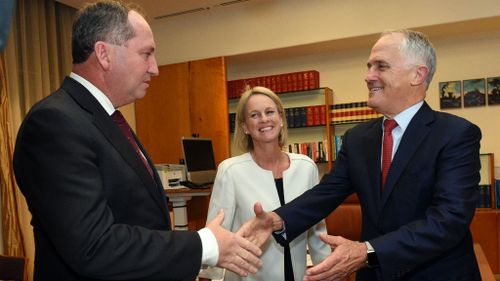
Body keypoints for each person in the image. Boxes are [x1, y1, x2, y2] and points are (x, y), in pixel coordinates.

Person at [12, 1, 262, 280]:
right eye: (147, 54)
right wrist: (204, 244)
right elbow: (94, 246)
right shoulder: (54, 123)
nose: (155, 68)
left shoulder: (106, 119)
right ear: (104, 54)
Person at [238, 29, 482, 281]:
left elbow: (448, 221)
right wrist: (277, 220)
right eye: (369, 66)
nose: (368, 76)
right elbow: (326, 193)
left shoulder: (456, 134)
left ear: (417, 75)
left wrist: (367, 252)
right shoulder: (358, 138)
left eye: (381, 66)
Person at [204, 86, 331, 280]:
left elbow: (317, 230)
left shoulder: (306, 167)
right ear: (245, 126)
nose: (264, 119)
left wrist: (326, 271)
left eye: (270, 112)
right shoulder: (230, 171)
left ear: (281, 118)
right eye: (254, 115)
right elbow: (216, 236)